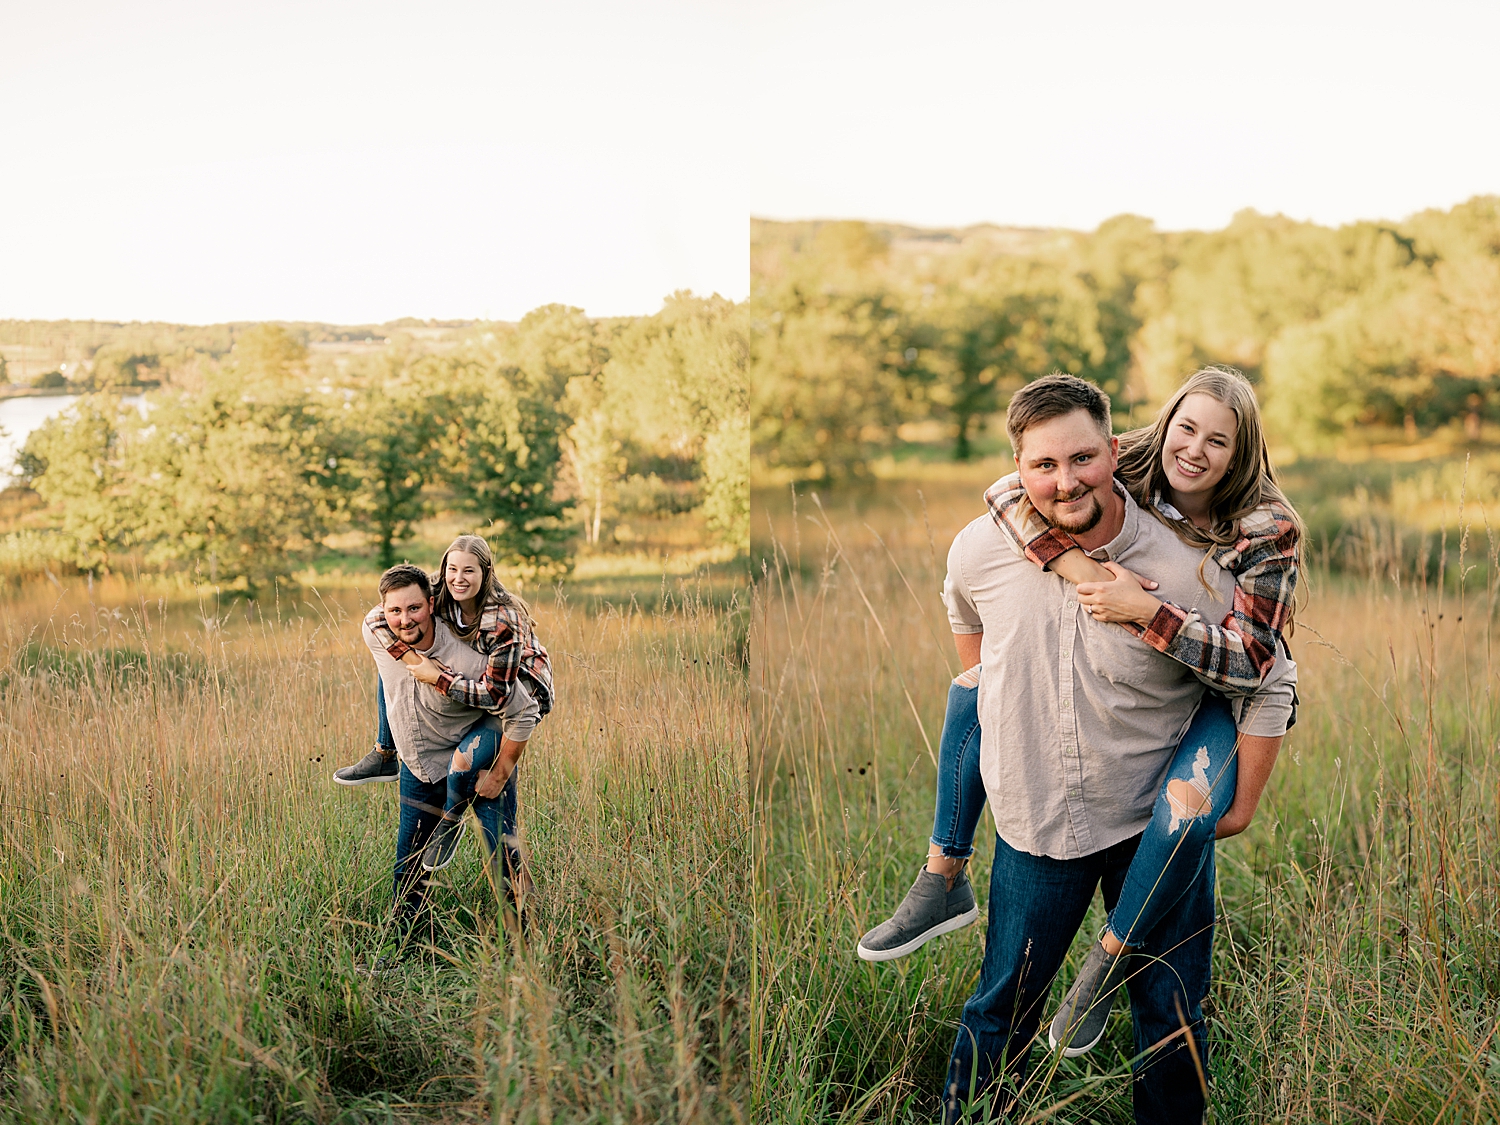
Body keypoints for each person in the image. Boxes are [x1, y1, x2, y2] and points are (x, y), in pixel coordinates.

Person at [889, 374, 1297, 1123]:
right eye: (1042, 465)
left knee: (1170, 1019)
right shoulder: (986, 544)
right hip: (1038, 825)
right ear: (1020, 468)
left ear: (1114, 451)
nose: (1064, 479)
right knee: (999, 1008)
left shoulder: (1198, 564)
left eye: (1083, 458)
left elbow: (1268, 670)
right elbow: (971, 642)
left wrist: (1236, 804)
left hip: (1154, 820)